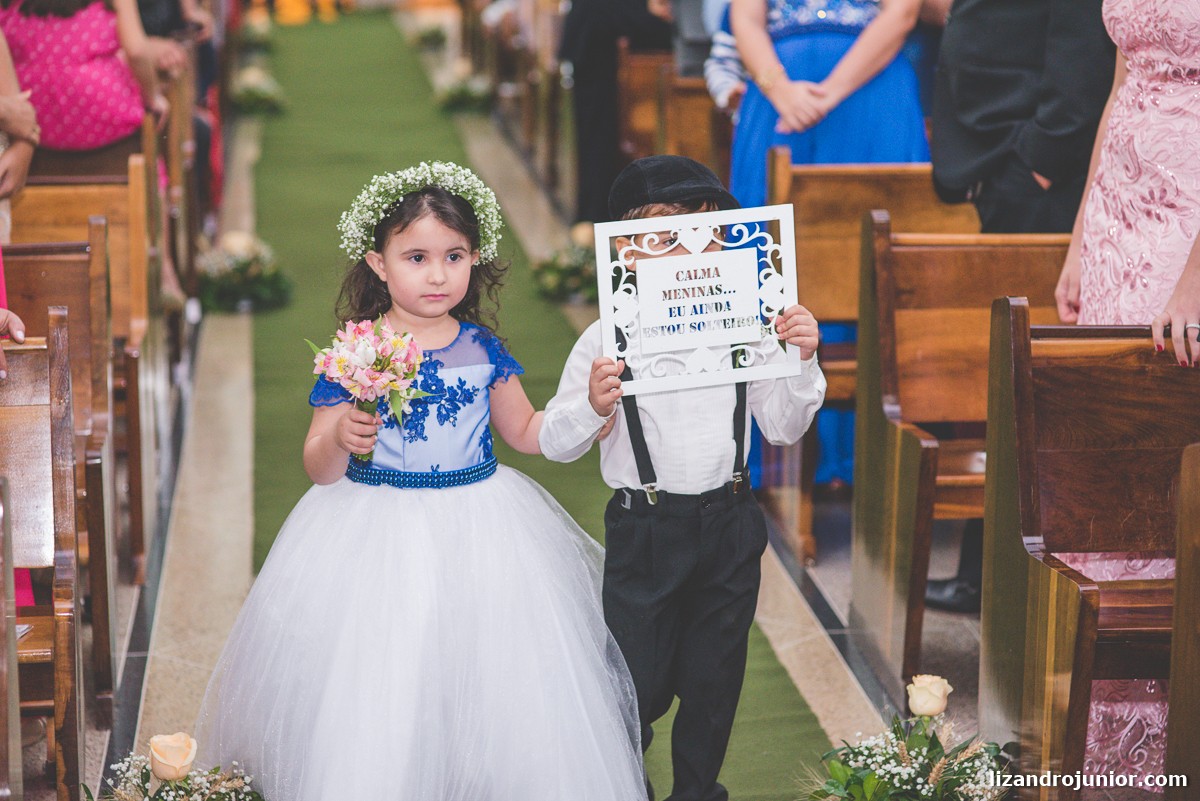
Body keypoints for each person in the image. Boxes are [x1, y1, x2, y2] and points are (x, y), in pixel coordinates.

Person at [194, 162, 649, 801]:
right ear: (378, 264)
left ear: (474, 260)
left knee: (489, 668)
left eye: (454, 257)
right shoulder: (356, 351)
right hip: (373, 525)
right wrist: (341, 436)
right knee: (387, 667)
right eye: (416, 258)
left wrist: (589, 410)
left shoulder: (483, 348)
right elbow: (317, 466)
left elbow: (525, 430)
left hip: (481, 522)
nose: (438, 275)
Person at [540, 155, 827, 801]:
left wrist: (801, 360)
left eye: (705, 235)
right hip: (645, 528)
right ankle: (624, 785)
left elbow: (783, 428)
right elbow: (556, 442)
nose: (687, 255)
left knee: (713, 683)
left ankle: (697, 792)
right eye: (664, 238)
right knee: (634, 684)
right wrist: (592, 405)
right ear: (627, 251)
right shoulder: (604, 338)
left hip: (730, 523)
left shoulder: (752, 326)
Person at [1049, 0, 1200, 784]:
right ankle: (1108, 740)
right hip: (1120, 216)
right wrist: (1082, 238)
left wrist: (1196, 278)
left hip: (1187, 220)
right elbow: (1119, 85)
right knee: (1106, 447)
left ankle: (1174, 736)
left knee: (1163, 448)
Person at [923, 0, 1113, 614]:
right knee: (1009, 373)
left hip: (1039, 173)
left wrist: (1038, 163)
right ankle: (988, 573)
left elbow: (1082, 50)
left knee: (1028, 377)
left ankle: (1007, 579)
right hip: (1001, 159)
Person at [729, 0, 927, 493]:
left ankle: (866, 456)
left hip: (871, 87)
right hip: (778, 94)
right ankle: (767, 452)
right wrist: (780, 90)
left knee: (867, 254)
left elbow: (902, 13)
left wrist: (829, 92)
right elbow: (745, 18)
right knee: (764, 253)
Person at [558, 0, 671, 223]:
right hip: (598, 35)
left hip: (604, 33)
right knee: (597, 133)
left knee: (598, 133)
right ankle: (594, 215)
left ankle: (594, 214)